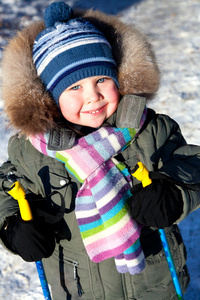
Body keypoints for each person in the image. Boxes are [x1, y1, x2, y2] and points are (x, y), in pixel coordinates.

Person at [0, 1, 200, 299]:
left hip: (152, 282)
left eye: (102, 79)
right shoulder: (31, 151)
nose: (93, 96)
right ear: (51, 98)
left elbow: (192, 162)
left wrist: (172, 191)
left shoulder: (149, 130)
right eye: (74, 88)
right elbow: (7, 189)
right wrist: (13, 227)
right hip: (79, 287)